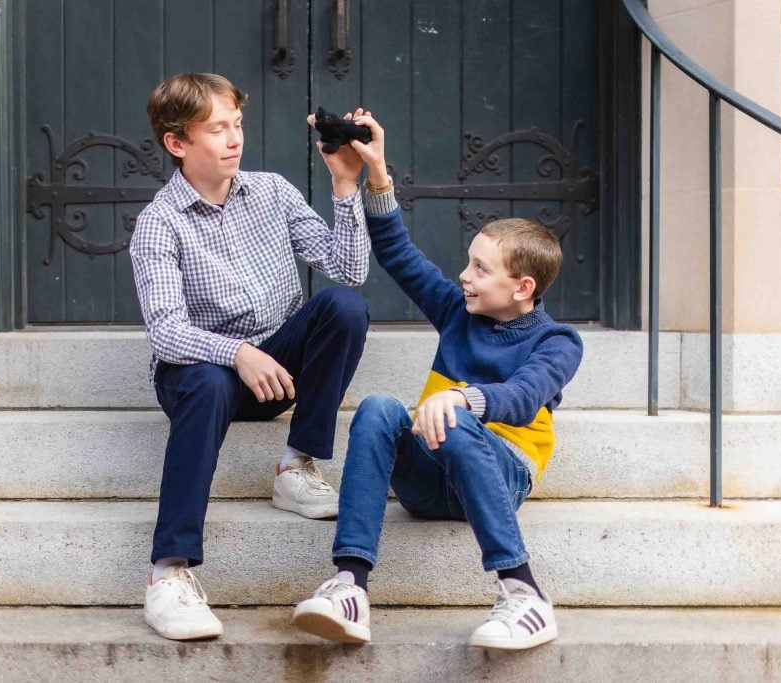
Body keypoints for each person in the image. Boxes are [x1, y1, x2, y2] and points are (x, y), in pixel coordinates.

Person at [292, 114, 583, 650]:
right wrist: (375, 176)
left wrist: (460, 398)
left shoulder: (557, 342)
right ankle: (350, 586)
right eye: (468, 265)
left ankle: (525, 594)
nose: (464, 277)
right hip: (428, 478)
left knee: (454, 420)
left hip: (502, 473)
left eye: (479, 269)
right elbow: (399, 256)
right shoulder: (458, 311)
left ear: (522, 287)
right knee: (380, 407)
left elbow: (520, 400)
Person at [130, 72, 381, 640]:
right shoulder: (158, 224)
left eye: (237, 125)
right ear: (177, 143)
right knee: (209, 381)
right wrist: (236, 351)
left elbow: (350, 271)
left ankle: (296, 466)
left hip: (275, 371)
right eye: (217, 129)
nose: (234, 138)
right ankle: (168, 573)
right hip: (198, 379)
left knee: (343, 306)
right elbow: (167, 333)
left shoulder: (272, 191)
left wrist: (345, 186)